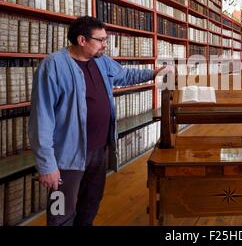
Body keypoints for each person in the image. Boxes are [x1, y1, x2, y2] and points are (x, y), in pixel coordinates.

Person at [28, 16, 168, 226]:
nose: (105, 44)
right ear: (82, 40)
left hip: (99, 150)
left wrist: (155, 72)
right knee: (60, 211)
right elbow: (41, 118)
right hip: (67, 156)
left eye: (105, 39)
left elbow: (125, 75)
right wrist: (47, 165)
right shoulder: (53, 66)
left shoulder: (101, 60)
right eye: (100, 40)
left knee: (91, 201)